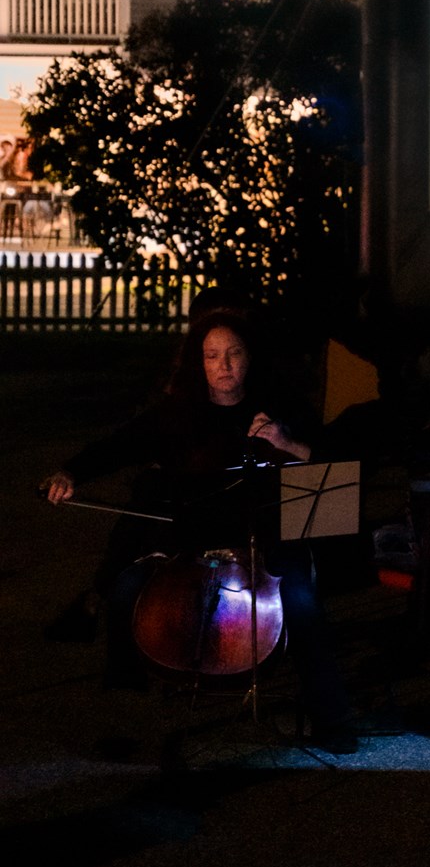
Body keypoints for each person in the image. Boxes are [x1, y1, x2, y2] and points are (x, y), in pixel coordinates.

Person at [41, 308, 358, 754]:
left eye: (233, 354)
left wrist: (287, 444)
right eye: (212, 356)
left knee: (302, 601)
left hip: (263, 546)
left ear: (250, 357)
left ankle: (333, 719)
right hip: (188, 547)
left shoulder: (281, 408)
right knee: (127, 589)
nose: (224, 366)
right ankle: (128, 717)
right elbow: (117, 446)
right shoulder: (175, 414)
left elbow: (335, 466)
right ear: (199, 362)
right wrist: (70, 471)